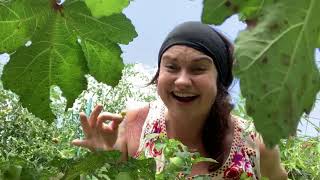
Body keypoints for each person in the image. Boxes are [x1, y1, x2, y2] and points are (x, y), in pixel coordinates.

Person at [72, 22, 287, 179]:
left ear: (219, 81)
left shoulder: (256, 145)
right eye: (171, 67)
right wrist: (106, 161)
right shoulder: (134, 126)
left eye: (198, 69)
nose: (182, 81)